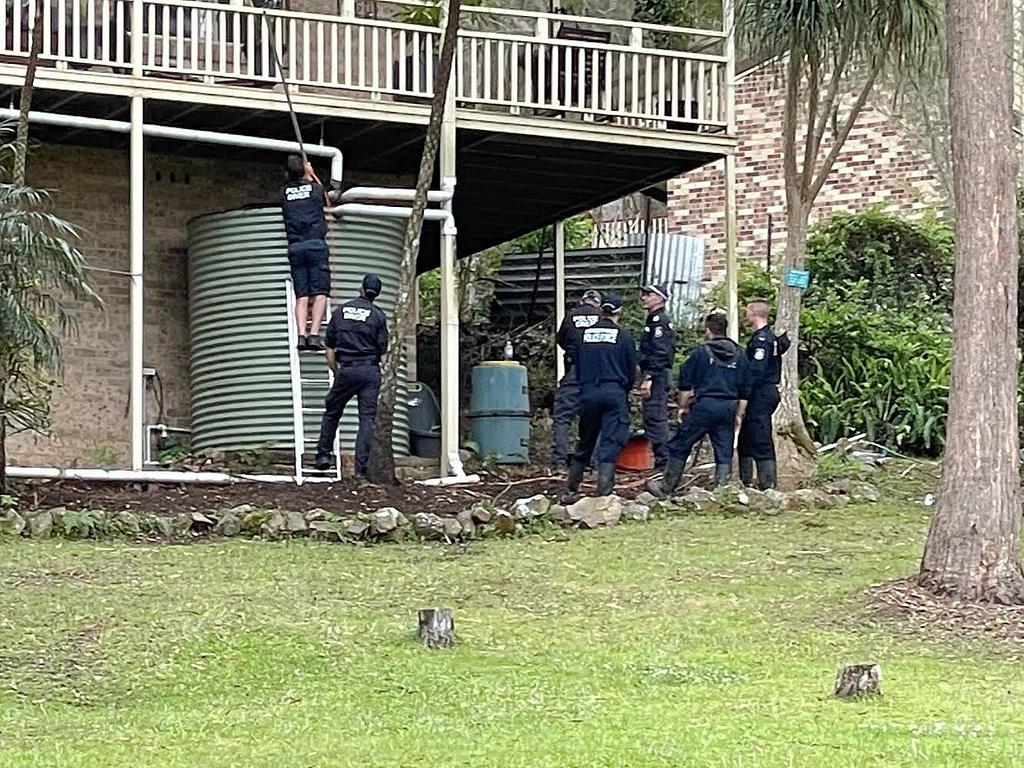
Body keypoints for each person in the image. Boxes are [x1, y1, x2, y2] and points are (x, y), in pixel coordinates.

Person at [648, 312, 749, 498]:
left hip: (705, 406)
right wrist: (738, 415)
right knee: (723, 449)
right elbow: (745, 390)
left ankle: (666, 487)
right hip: (728, 406)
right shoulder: (740, 355)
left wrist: (682, 407)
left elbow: (686, 385)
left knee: (681, 443)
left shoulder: (700, 353)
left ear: (708, 330)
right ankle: (722, 491)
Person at [560, 293, 638, 503]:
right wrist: (624, 390)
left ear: (601, 310)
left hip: (588, 391)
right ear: (618, 312)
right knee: (610, 441)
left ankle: (571, 488)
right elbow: (631, 370)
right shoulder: (624, 336)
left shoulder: (583, 336)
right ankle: (604, 489)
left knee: (585, 439)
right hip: (614, 392)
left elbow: (574, 359)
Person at [314, 274, 389, 478]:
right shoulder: (378, 316)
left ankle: (322, 456)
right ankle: (360, 472)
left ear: (361, 289)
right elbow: (383, 354)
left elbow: (329, 350)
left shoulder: (340, 312)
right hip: (369, 371)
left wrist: (337, 372)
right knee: (366, 420)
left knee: (332, 410)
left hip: (347, 369)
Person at [281, 154, 334, 352]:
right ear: (304, 171)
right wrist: (312, 175)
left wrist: (304, 175)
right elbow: (326, 200)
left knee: (302, 295)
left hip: (295, 247)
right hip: (315, 245)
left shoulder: (284, 192)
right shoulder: (315, 189)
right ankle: (314, 336)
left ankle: (301, 336)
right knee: (320, 293)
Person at [737, 300, 791, 490]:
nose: (745, 315)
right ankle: (746, 480)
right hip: (761, 391)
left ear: (753, 314)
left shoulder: (762, 340)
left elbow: (756, 370)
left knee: (760, 435)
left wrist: (745, 392)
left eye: (747, 312)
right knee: (746, 437)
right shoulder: (769, 337)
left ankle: (768, 483)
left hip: (761, 391)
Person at [550, 288, 603, 469]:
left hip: (574, 371)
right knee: (596, 419)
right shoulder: (603, 318)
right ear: (598, 303)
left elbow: (561, 341)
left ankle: (559, 462)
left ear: (582, 301)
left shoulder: (570, 316)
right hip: (597, 375)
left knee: (562, 418)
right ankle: (593, 462)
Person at [637, 282, 676, 469]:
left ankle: (663, 461)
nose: (644, 297)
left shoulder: (659, 321)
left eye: (648, 294)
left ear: (660, 298)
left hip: (657, 375)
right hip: (654, 373)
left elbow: (661, 352)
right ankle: (662, 458)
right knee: (652, 416)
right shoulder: (652, 320)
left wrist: (649, 377)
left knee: (656, 417)